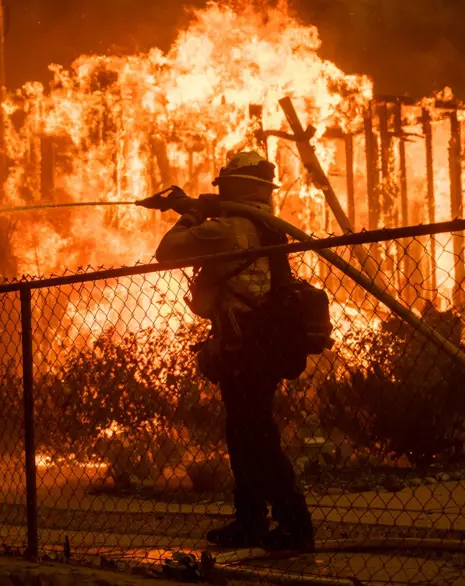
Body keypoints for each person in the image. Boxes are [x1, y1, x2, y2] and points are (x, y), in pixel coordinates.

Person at [152, 152, 315, 551]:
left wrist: (190, 214)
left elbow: (168, 250)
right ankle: (251, 520)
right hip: (260, 342)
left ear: (233, 188)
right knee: (244, 433)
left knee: (256, 436)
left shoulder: (229, 229)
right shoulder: (267, 229)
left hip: (246, 346)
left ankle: (295, 524)